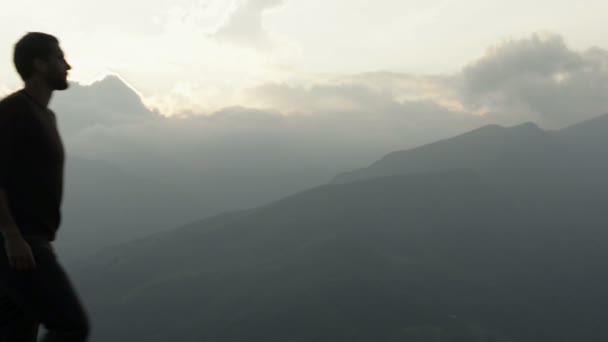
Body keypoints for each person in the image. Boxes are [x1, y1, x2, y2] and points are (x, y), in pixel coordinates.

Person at [0, 32, 90, 342]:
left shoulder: (45, 115)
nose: (68, 66)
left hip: (29, 242)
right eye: (59, 58)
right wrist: (12, 237)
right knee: (70, 326)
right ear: (39, 64)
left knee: (16, 333)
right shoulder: (13, 111)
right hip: (21, 244)